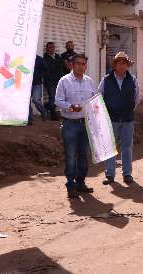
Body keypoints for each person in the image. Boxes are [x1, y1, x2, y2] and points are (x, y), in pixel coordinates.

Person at [54, 53, 96, 199]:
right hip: (70, 124)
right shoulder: (64, 81)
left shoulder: (89, 81)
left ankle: (81, 183)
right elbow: (58, 101)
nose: (81, 66)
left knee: (83, 155)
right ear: (72, 65)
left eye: (83, 64)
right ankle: (70, 185)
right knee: (71, 155)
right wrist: (71, 107)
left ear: (86, 66)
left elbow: (93, 101)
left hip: (85, 124)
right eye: (78, 63)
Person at [99, 51, 140, 185]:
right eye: (119, 63)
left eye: (124, 63)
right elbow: (99, 97)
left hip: (128, 119)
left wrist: (128, 109)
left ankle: (127, 174)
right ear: (115, 65)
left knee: (127, 147)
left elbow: (137, 98)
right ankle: (110, 174)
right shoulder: (106, 79)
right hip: (111, 119)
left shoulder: (133, 80)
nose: (122, 66)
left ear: (127, 66)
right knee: (111, 147)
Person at [43, 42, 64, 120]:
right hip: (50, 80)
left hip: (58, 80)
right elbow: (49, 68)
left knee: (57, 97)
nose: (52, 48)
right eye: (50, 47)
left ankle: (47, 106)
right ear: (47, 48)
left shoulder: (57, 56)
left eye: (53, 47)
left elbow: (60, 66)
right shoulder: (45, 57)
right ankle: (53, 115)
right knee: (53, 97)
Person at [29, 54, 48, 125]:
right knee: (27, 102)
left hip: (37, 83)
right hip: (26, 84)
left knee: (36, 100)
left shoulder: (39, 59)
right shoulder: (25, 57)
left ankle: (43, 111)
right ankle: (29, 119)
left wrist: (39, 76)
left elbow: (45, 69)